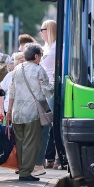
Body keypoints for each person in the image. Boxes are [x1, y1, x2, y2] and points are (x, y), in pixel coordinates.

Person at [6, 43, 52, 182]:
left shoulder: (17, 69)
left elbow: (11, 91)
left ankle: (21, 168)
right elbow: (47, 91)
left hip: (17, 112)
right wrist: (54, 85)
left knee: (20, 142)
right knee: (31, 142)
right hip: (32, 112)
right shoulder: (39, 70)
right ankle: (25, 172)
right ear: (36, 56)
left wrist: (9, 111)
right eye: (41, 56)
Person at [38, 21, 60, 169]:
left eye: (43, 29)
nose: (41, 32)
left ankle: (56, 156)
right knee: (46, 123)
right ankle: (50, 156)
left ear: (50, 30)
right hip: (44, 89)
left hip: (51, 88)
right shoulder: (47, 48)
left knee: (52, 122)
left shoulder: (56, 47)